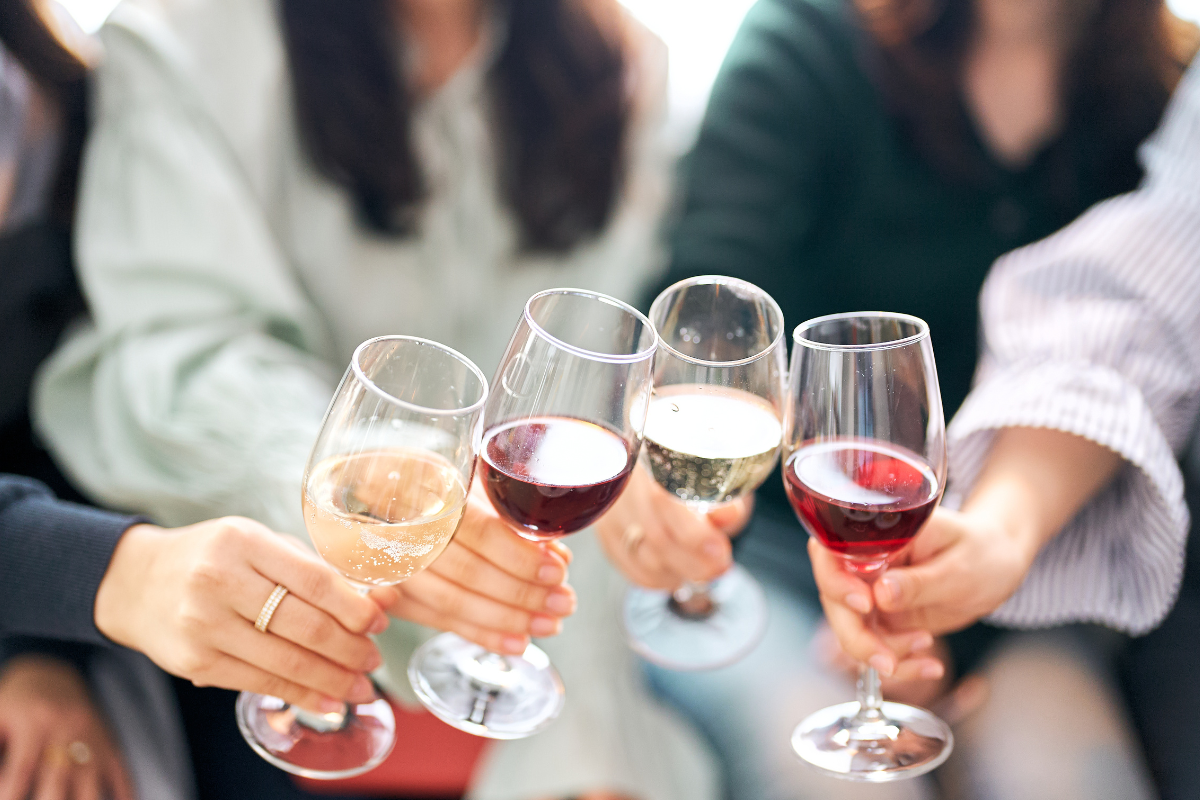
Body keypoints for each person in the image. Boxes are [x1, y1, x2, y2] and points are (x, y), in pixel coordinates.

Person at [32, 1, 715, 799]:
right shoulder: (188, 41)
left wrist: (651, 495)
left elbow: (594, 378)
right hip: (274, 604)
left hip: (562, 616)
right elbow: (176, 354)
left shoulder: (627, 65)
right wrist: (359, 485)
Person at [594, 0, 1198, 798]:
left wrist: (953, 611)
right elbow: (706, 310)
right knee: (838, 782)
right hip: (780, 560)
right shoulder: (809, 40)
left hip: (1025, 583)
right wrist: (652, 478)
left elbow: (1128, 348)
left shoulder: (1162, 100)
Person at [813, 51, 1200, 800]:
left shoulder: (1135, 82)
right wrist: (998, 535)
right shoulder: (816, 56)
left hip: (1049, 621)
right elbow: (1139, 311)